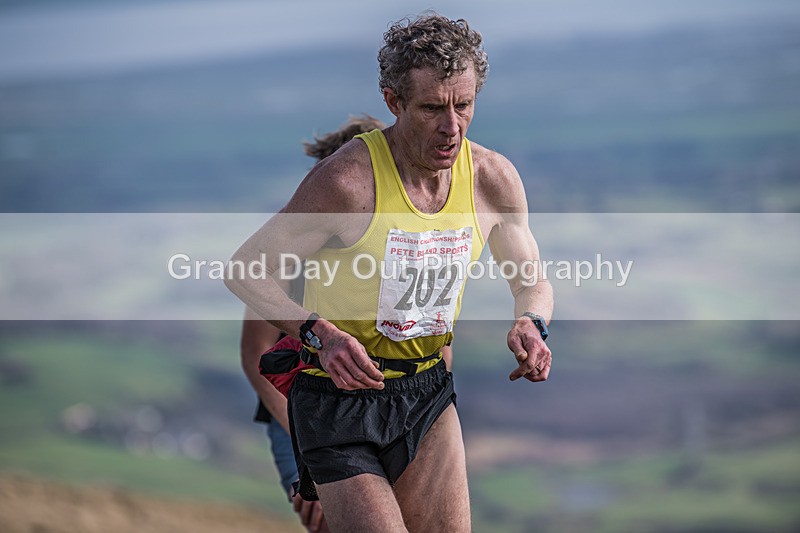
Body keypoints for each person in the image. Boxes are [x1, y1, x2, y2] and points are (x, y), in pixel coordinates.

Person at [226, 13, 553, 532]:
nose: (452, 126)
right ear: (394, 101)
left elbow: (531, 279)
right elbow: (246, 270)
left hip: (426, 392)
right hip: (336, 399)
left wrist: (531, 322)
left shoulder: (491, 178)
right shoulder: (346, 182)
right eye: (432, 108)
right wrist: (320, 334)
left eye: (464, 105)